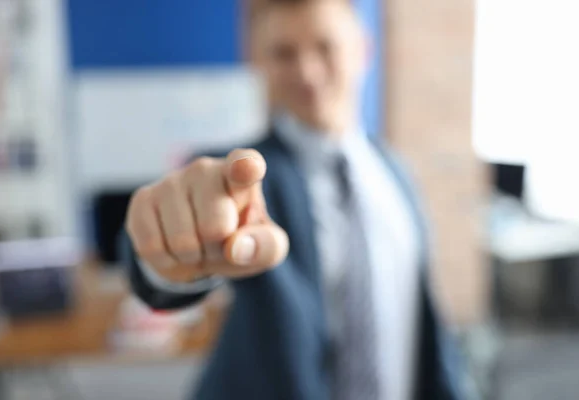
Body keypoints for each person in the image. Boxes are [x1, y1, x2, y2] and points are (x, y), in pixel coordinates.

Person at [123, 0, 462, 399]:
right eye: (284, 53)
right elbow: (164, 256)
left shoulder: (397, 174)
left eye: (325, 47)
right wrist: (167, 254)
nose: (307, 71)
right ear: (260, 65)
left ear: (362, 51)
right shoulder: (241, 181)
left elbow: (421, 327)